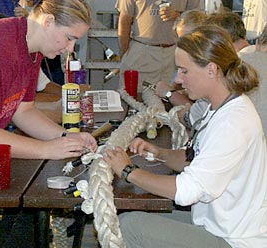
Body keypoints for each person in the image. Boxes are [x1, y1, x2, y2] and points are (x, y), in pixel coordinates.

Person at [104, 25, 267, 248]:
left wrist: (128, 171)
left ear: (211, 69)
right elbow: (194, 159)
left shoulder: (233, 123)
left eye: (184, 70)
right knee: (135, 218)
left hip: (235, 240)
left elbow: (188, 190)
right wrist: (160, 153)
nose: (178, 79)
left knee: (129, 227)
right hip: (217, 225)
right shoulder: (220, 107)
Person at [0, 0, 96, 247]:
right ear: (48, 21)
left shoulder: (31, 49)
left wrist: (65, 138)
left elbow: (23, 110)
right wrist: (47, 150)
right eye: (69, 38)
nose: (70, 48)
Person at [116, 0, 203, 93]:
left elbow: (198, 19)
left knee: (171, 99)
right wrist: (125, 54)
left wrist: (178, 15)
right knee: (132, 97)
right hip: (142, 52)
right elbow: (124, 20)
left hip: (174, 54)